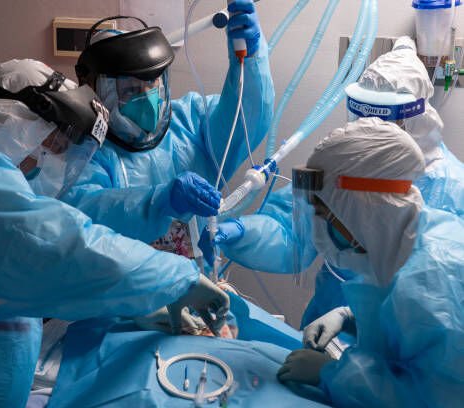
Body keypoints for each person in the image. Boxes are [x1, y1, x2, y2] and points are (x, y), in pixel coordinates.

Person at [0, 59, 229, 407]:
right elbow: (61, 246)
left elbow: (19, 259)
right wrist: (178, 279)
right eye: (53, 147)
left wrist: (135, 295)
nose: (52, 162)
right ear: (12, 120)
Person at [199, 35, 464, 327]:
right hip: (329, 322)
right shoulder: (342, 165)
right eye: (361, 116)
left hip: (402, 342)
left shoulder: (451, 189)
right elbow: (294, 230)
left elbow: (440, 304)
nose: (369, 130)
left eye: (384, 121)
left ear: (415, 118)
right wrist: (241, 232)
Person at [276, 118, 463, 407]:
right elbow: (407, 331)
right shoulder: (403, 238)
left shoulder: (430, 278)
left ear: (364, 210)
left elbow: (429, 398)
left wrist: (332, 373)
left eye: (326, 215)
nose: (320, 231)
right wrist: (350, 317)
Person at [62, 0, 274, 249]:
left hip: (197, 278)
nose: (147, 95)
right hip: (123, 285)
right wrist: (160, 201)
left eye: (152, 83)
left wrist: (249, 59)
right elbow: (84, 212)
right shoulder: (84, 149)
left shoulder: (191, 120)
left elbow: (245, 117)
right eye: (130, 89)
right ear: (99, 92)